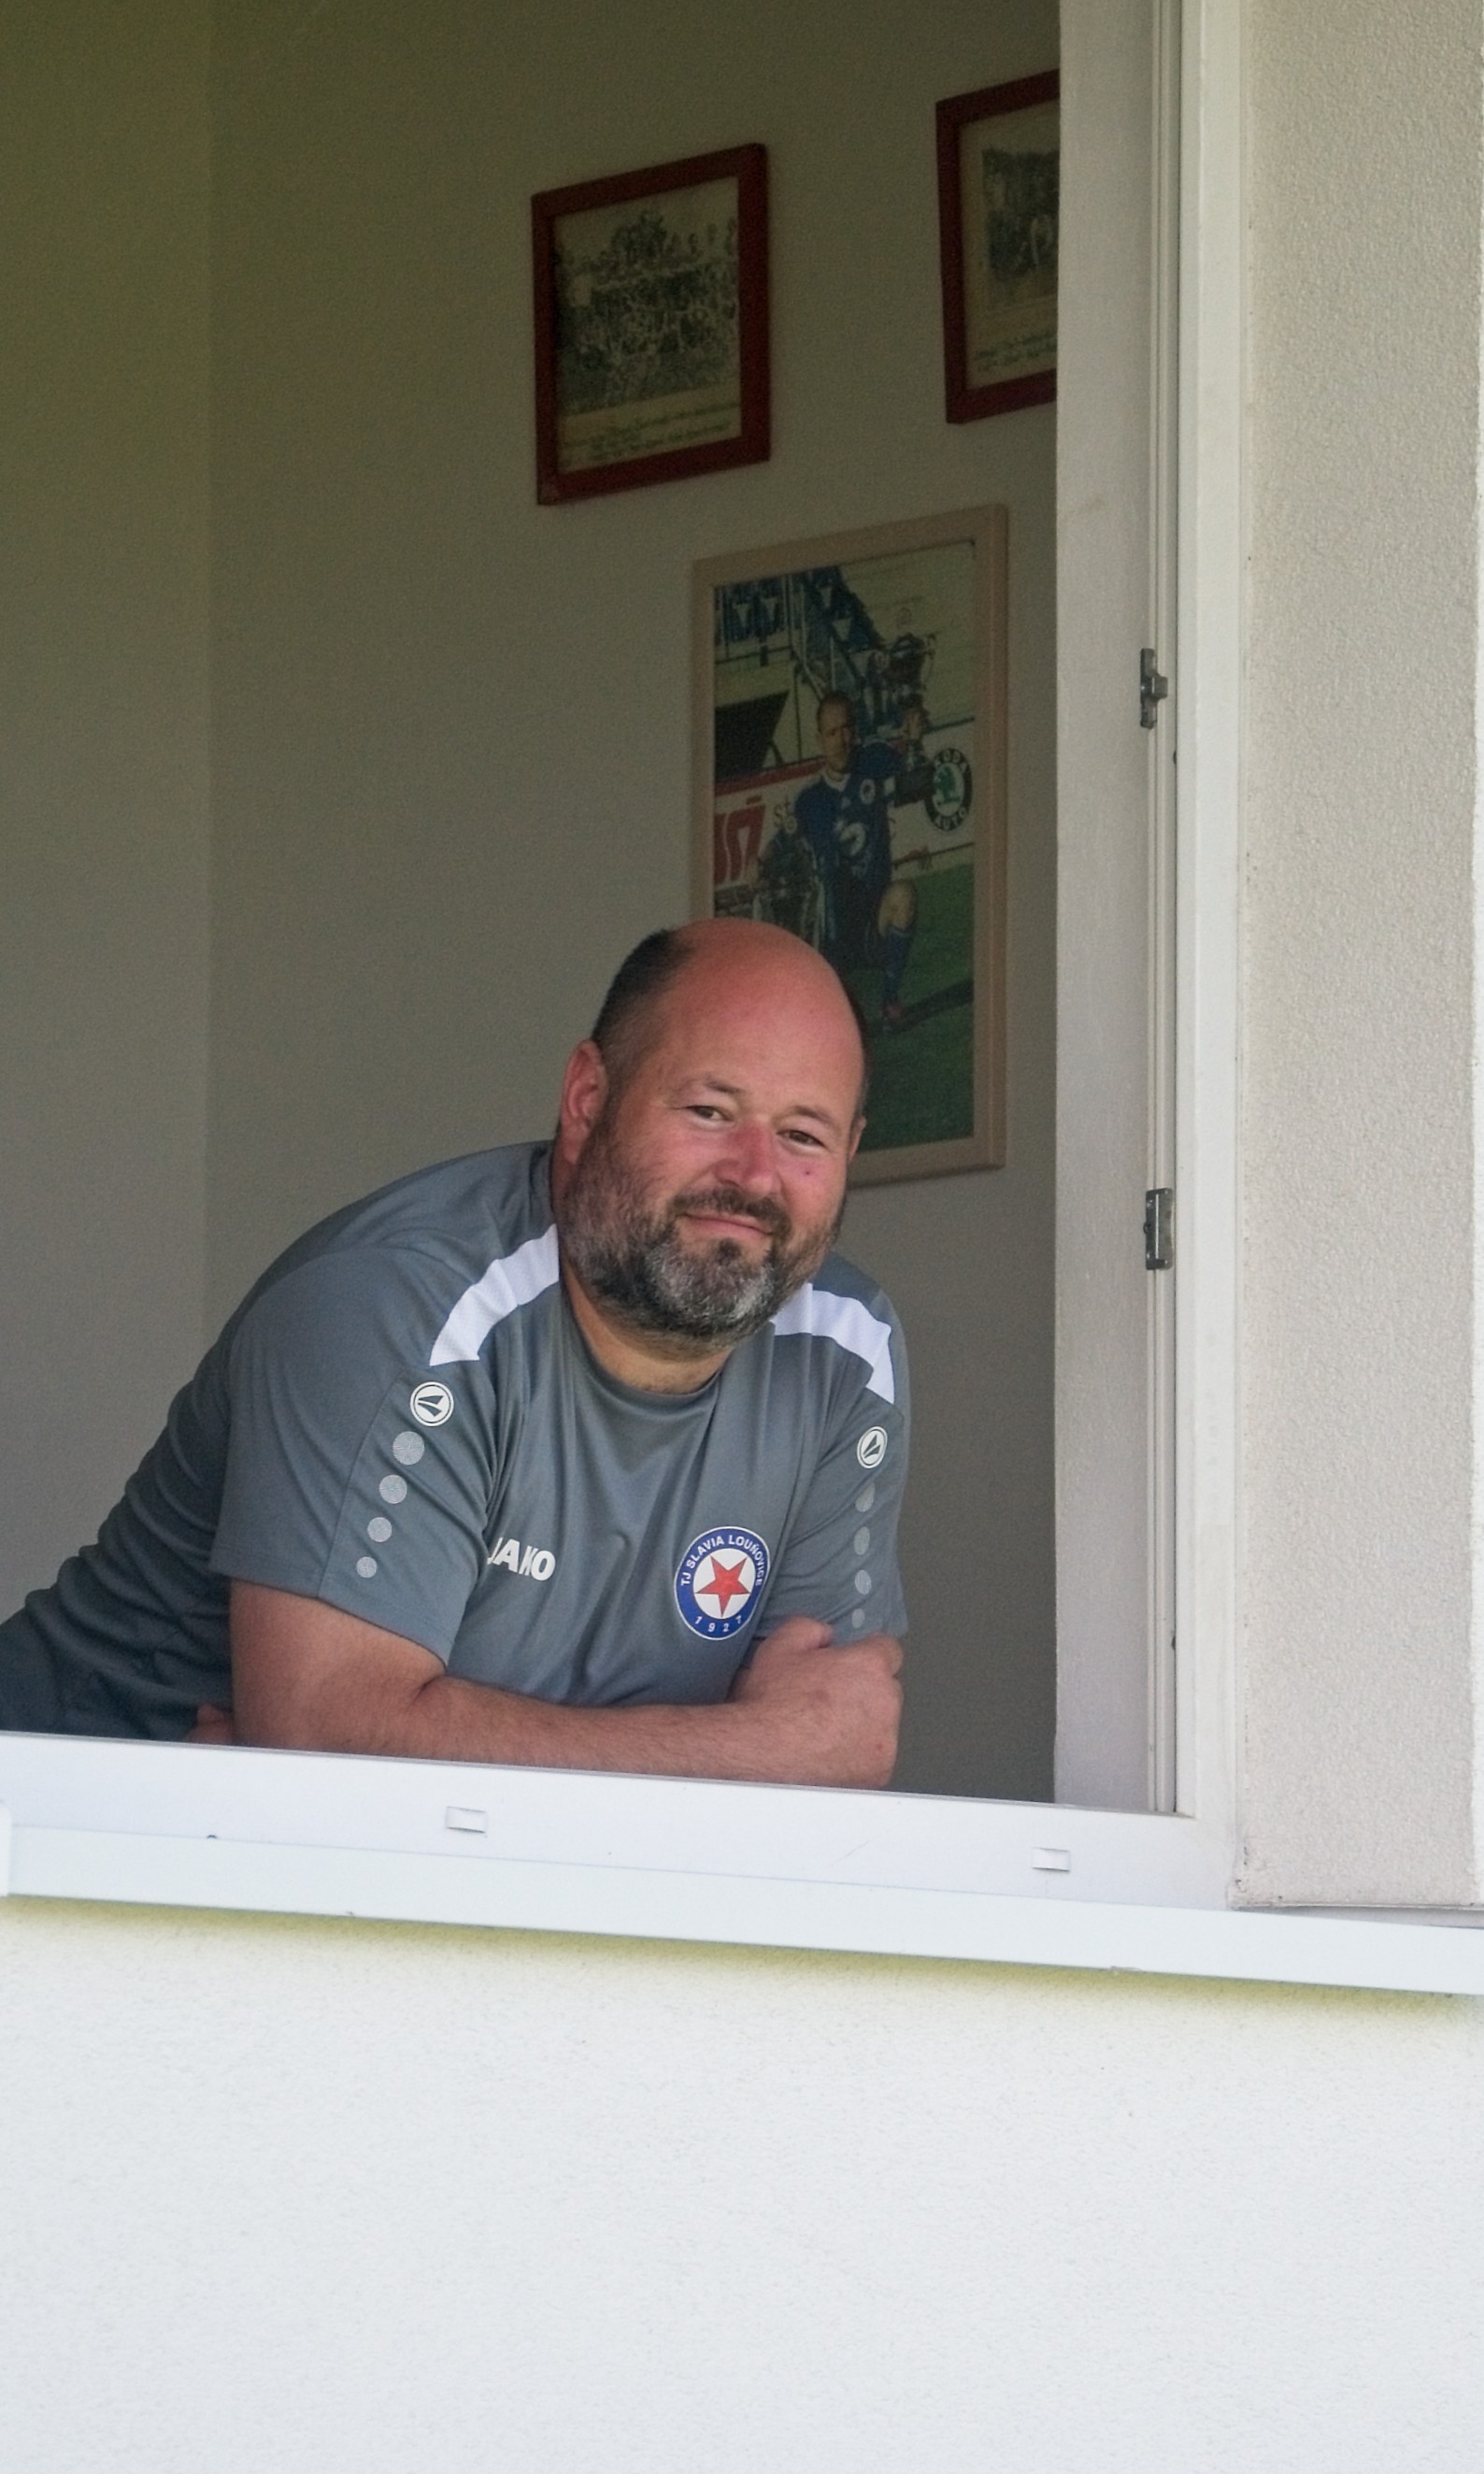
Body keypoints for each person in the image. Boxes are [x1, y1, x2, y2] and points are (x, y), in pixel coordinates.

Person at [0, 922, 906, 1787]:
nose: (753, 1176)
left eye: (803, 1135)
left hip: (411, 1869)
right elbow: (331, 1747)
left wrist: (402, 1757)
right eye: (710, 1111)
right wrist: (759, 1751)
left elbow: (826, 1745)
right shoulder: (394, 1302)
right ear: (588, 1099)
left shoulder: (845, 1351)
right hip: (65, 1826)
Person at [792, 690, 929, 1028]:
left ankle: (890, 1002)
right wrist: (759, 861)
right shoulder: (809, 799)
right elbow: (784, 841)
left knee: (904, 896)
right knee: (831, 1025)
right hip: (834, 932)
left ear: (855, 730)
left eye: (846, 729)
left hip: (874, 920)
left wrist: (914, 739)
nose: (841, 740)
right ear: (819, 740)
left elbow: (913, 772)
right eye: (832, 732)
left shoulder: (871, 761)